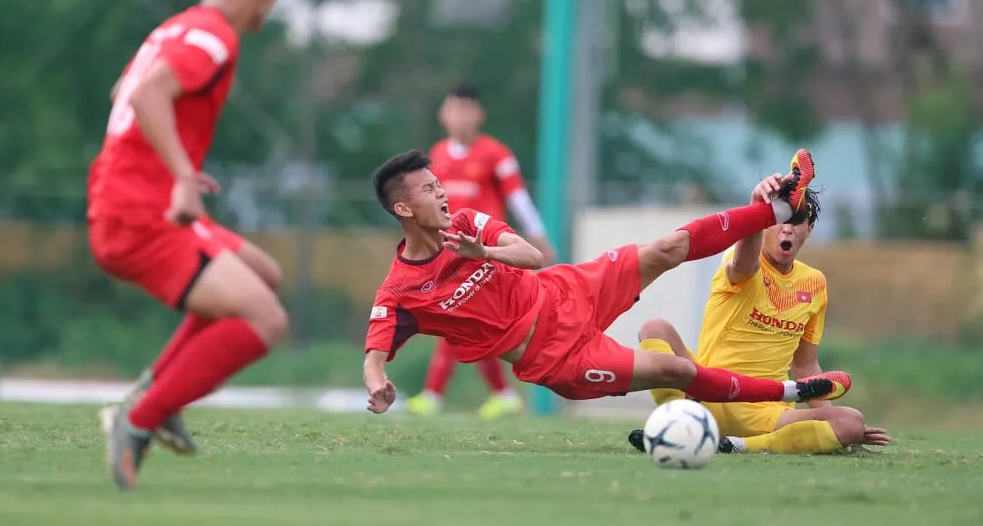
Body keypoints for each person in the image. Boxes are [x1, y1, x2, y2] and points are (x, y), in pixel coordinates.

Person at [362, 148, 854, 417]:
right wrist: (378, 387)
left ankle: (778, 207)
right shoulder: (400, 291)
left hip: (569, 289)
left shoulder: (468, 223)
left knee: (665, 249)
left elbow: (532, 256)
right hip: (559, 358)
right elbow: (374, 356)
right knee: (675, 369)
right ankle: (789, 393)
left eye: (439, 184)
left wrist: (484, 252)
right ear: (403, 208)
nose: (442, 193)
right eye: (429, 189)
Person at [86, 0, 288, 491]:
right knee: (265, 319)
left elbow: (125, 90)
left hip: (127, 196)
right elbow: (147, 95)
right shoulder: (215, 36)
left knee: (263, 275)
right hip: (141, 211)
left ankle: (159, 395)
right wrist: (180, 174)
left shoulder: (176, 28)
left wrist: (173, 164)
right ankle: (139, 419)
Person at [626, 169, 891, 455]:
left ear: (810, 229)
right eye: (778, 220)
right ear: (764, 225)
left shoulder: (815, 283)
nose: (786, 229)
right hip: (708, 395)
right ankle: (680, 421)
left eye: (796, 221)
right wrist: (756, 208)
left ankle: (733, 446)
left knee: (851, 422)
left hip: (767, 414)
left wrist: (829, 424)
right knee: (654, 329)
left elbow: (805, 366)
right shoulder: (741, 258)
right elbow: (743, 266)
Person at [406, 85, 555, 419]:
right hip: (449, 251)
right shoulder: (437, 155)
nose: (460, 117)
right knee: (465, 321)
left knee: (455, 316)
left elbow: (518, 197)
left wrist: (537, 236)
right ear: (443, 115)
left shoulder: (496, 154)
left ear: (479, 115)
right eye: (454, 109)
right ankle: (502, 394)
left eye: (467, 110)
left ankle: (435, 395)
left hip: (486, 251)